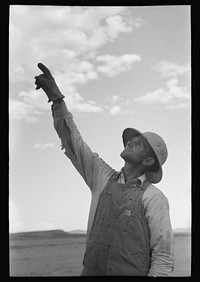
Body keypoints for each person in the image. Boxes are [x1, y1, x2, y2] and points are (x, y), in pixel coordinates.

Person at [34, 63, 174, 276]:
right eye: (132, 139)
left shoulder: (155, 199)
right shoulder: (102, 178)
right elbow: (75, 143)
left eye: (139, 143)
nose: (131, 142)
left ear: (148, 161)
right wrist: (57, 100)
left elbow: (163, 259)